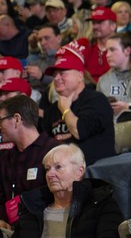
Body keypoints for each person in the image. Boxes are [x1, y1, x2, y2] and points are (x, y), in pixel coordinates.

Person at [13, 144, 123, 237]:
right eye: (47, 169)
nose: (50, 174)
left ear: (79, 171)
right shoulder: (31, 208)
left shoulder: (101, 204)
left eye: (58, 167)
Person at [42, 43, 116, 165]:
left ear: (80, 76)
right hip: (63, 172)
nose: (56, 78)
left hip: (96, 172)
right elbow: (47, 146)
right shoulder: (52, 110)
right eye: (54, 75)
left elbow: (79, 131)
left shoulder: (97, 100)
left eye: (63, 73)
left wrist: (65, 109)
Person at [0, 96, 61, 231]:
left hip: (44, 228)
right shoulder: (5, 158)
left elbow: (60, 198)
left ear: (17, 119)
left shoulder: (55, 152)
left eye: (1, 120)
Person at [96, 32, 131, 122]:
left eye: (112, 50)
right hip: (112, 130)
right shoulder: (103, 81)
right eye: (107, 51)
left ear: (127, 51)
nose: (107, 55)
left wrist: (128, 106)